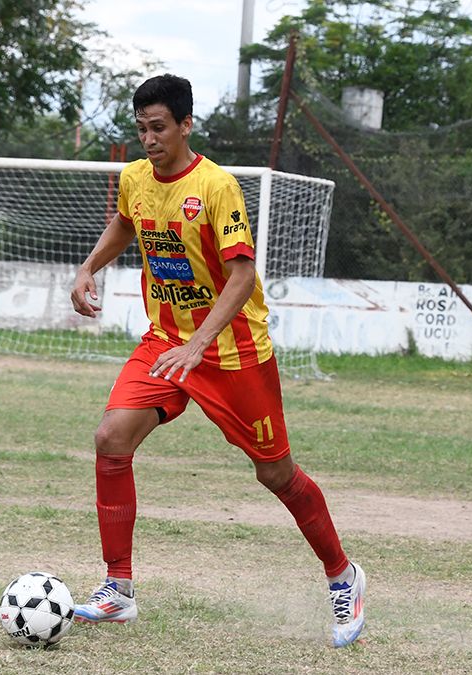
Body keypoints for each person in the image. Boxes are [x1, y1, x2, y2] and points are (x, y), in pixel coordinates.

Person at [68, 74, 365, 648]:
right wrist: (88, 267)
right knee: (111, 438)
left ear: (186, 125)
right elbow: (126, 222)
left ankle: (342, 576)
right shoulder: (135, 178)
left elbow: (242, 275)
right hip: (165, 341)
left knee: (275, 474)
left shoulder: (216, 186)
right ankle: (118, 587)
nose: (149, 140)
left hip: (232, 352)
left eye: (159, 128)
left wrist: (200, 343)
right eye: (141, 129)